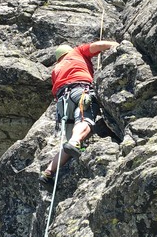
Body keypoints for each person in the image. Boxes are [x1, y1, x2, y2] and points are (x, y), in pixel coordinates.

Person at [40, 40, 119, 185]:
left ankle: (48, 172)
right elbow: (98, 46)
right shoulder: (76, 52)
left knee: (69, 142)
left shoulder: (56, 68)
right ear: (68, 51)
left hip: (63, 102)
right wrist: (117, 45)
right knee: (84, 121)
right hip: (80, 90)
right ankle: (76, 142)